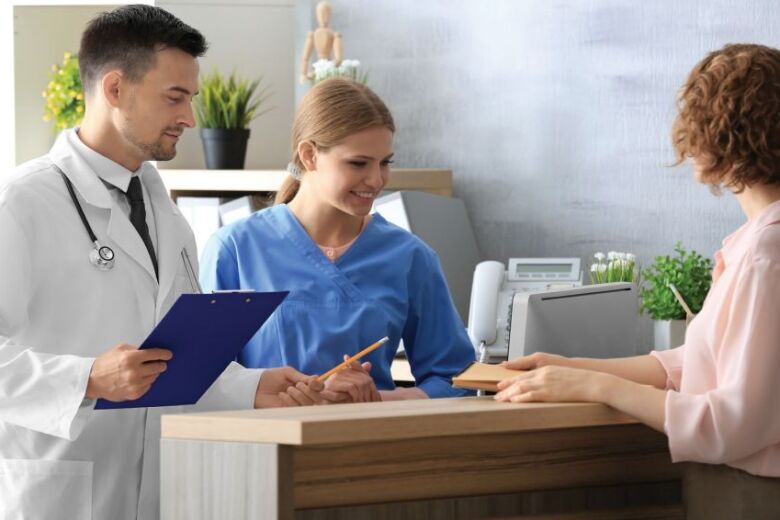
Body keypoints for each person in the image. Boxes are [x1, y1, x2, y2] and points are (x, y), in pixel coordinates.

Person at [0, 6, 321, 519]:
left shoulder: (165, 212)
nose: (190, 118)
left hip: (163, 490)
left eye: (190, 98)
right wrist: (86, 378)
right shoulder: (19, 203)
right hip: (59, 495)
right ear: (114, 90)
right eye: (175, 97)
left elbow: (169, 360)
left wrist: (254, 385)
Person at [494, 43, 780, 518]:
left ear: (719, 137)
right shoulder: (756, 241)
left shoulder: (766, 253)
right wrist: (577, 368)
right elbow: (697, 364)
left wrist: (597, 388)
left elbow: (731, 423)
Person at [200, 78, 476, 403]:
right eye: (358, 163)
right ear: (309, 155)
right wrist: (268, 394)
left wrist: (375, 401)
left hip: (365, 447)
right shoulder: (235, 249)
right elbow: (202, 379)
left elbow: (458, 381)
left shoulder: (410, 257)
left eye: (385, 162)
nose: (376, 180)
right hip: (260, 448)